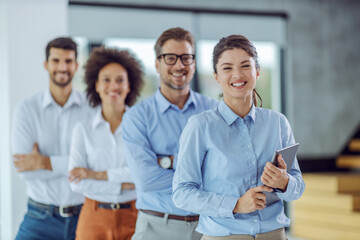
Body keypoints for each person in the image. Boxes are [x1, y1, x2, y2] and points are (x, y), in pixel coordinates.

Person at [172, 35, 305, 240]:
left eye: (245, 66)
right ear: (216, 76)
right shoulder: (201, 126)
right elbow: (182, 193)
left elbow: (298, 187)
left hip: (275, 235)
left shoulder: (277, 123)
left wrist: (285, 182)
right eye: (227, 68)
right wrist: (235, 205)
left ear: (257, 71)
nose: (237, 74)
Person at [121, 27, 218, 240]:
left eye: (186, 58)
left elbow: (225, 169)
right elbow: (146, 180)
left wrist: (169, 161)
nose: (179, 65)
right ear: (157, 63)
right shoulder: (137, 117)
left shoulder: (214, 111)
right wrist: (202, 171)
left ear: (194, 63)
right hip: (157, 228)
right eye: (170, 58)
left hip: (209, 228)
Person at [12, 37, 89, 240]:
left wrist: (45, 162)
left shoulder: (91, 108)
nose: (62, 67)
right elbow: (26, 172)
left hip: (85, 217)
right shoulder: (27, 109)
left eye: (68, 61)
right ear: (46, 65)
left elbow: (97, 165)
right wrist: (78, 167)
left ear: (76, 65)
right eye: (56, 61)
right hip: (39, 218)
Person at [68, 46, 144, 240]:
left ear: (129, 86)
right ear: (96, 85)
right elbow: (76, 182)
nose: (113, 86)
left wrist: (94, 175)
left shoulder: (142, 128)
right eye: (106, 80)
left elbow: (143, 174)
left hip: (135, 216)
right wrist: (122, 185)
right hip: (94, 218)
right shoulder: (82, 130)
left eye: (120, 80)